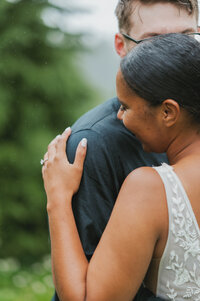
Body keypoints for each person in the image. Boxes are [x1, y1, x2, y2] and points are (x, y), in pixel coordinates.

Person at [48, 0, 199, 300]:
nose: (171, 52)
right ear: (121, 44)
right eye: (154, 41)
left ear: (169, 113)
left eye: (184, 38)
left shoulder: (146, 188)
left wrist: (57, 199)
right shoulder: (92, 142)